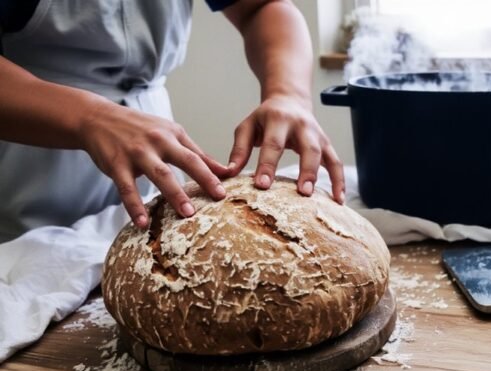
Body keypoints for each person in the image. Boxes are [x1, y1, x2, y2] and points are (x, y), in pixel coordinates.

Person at [0, 0, 345, 243]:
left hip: (152, 135)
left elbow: (262, 7)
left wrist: (289, 93)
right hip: (30, 155)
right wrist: (90, 115)